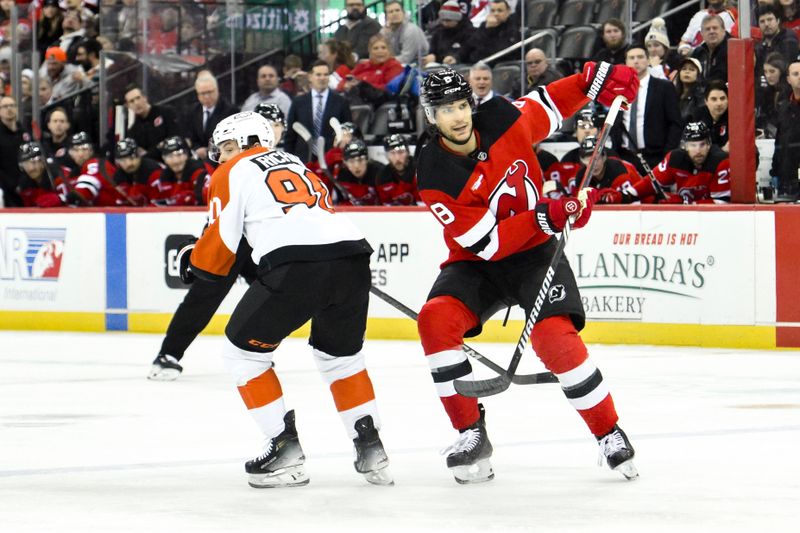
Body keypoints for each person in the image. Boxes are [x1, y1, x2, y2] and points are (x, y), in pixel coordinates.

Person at [414, 65, 639, 484]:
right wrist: (550, 214)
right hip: (476, 262)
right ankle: (469, 434)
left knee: (553, 338)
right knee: (435, 320)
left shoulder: (501, 117)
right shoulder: (433, 172)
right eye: (446, 110)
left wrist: (596, 77)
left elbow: (550, 104)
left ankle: (609, 432)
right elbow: (489, 245)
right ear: (432, 117)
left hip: (535, 255)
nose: (458, 116)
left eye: (462, 105)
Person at [187, 111, 392, 488]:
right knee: (341, 357)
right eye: (221, 150)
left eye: (229, 147)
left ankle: (284, 451)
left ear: (250, 141)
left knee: (241, 352)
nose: (223, 156)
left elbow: (220, 249)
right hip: (351, 257)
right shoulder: (295, 162)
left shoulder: (229, 172)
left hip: (297, 265)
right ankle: (371, 446)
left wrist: (196, 262)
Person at [614, 44, 684, 169]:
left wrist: (667, 154)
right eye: (632, 58)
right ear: (626, 62)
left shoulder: (664, 87)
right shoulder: (619, 89)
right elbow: (616, 121)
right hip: (625, 156)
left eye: (640, 57)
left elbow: (675, 123)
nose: (636, 61)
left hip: (655, 156)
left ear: (648, 60)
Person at [632, 122, 730, 204]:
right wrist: (629, 194)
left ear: (709, 145)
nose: (698, 150)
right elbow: (651, 183)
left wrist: (683, 203)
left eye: (702, 144)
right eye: (693, 145)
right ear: (684, 146)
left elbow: (722, 203)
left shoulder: (720, 161)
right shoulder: (675, 159)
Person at [285, 61, 352, 159]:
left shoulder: (341, 102)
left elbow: (347, 128)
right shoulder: (298, 102)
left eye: (326, 74)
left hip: (332, 158)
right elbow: (290, 136)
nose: (322, 78)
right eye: (318, 75)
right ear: (310, 77)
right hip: (303, 159)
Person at [565, 136, 645, 204]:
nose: (594, 164)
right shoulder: (581, 177)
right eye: (588, 160)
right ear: (582, 161)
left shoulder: (618, 171)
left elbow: (631, 202)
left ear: (604, 157)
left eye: (597, 158)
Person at [184, 72, 239, 160]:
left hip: (222, 158)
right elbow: (190, 137)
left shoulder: (231, 111)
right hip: (198, 159)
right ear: (197, 94)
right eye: (202, 93)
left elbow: (231, 141)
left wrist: (207, 150)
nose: (206, 96)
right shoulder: (192, 111)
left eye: (210, 92)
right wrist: (197, 149)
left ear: (217, 90)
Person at [339, 34, 404, 108]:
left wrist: (361, 85)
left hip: (379, 106)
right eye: (375, 48)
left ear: (389, 50)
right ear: (370, 51)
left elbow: (389, 89)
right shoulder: (362, 66)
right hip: (356, 103)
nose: (380, 51)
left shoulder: (394, 66)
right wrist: (345, 85)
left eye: (383, 48)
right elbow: (343, 82)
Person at [449, 0, 518, 65]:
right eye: (493, 11)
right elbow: (470, 44)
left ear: (508, 12)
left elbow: (498, 50)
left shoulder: (513, 28)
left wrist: (489, 30)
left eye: (500, 11)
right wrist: (456, 57)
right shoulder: (485, 25)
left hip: (499, 65)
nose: (496, 14)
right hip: (477, 64)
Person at [150, 136, 212, 206]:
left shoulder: (200, 172)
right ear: (164, 159)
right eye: (170, 156)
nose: (175, 161)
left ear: (186, 155)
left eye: (179, 154)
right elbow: (155, 202)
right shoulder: (162, 177)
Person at [124, 84, 180, 161]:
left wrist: (149, 153)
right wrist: (159, 147)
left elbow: (174, 138)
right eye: (131, 101)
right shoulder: (133, 130)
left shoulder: (166, 112)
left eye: (138, 98)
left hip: (175, 158)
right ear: (128, 106)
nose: (136, 103)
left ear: (145, 98)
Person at [770, 59, 800, 199]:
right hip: (787, 179)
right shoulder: (783, 107)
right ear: (788, 79)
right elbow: (779, 142)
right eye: (796, 74)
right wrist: (775, 171)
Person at [0, 95, 31, 207]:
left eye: (12, 105)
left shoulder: (24, 131)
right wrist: (10, 184)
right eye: (5, 106)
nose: (9, 109)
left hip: (27, 184)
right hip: (5, 187)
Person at [112, 137, 163, 205]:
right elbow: (120, 204)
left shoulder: (153, 170)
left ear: (139, 155)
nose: (128, 163)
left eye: (131, 158)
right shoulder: (118, 176)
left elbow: (159, 203)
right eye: (123, 160)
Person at [16, 141, 67, 208]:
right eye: (26, 164)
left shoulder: (59, 175)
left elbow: (72, 200)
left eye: (34, 162)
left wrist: (60, 198)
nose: (31, 168)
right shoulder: (24, 184)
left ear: (43, 162)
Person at [423, 0, 475, 66]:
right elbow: (433, 50)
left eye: (448, 20)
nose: (445, 23)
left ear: (457, 19)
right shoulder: (438, 32)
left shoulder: (469, 33)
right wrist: (432, 56)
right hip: (439, 67)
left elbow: (467, 51)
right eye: (442, 20)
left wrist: (456, 58)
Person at [381, 0, 429, 66]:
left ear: (403, 13)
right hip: (398, 64)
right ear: (386, 16)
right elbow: (382, 53)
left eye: (397, 10)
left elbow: (406, 59)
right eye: (390, 12)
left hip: (419, 66)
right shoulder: (384, 31)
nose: (394, 13)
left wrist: (382, 61)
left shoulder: (411, 30)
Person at [336, 138, 381, 205]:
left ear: (367, 159)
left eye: (360, 160)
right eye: (351, 161)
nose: (356, 166)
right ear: (345, 163)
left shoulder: (380, 173)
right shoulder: (342, 176)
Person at [376, 133, 418, 205]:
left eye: (401, 152)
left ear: (408, 152)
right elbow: (386, 205)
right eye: (392, 153)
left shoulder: (419, 170)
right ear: (387, 156)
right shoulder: (382, 176)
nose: (397, 158)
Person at [757, 52, 791, 138]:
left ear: (781, 71)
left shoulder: (789, 91)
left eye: (772, 71)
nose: (768, 75)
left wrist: (768, 133)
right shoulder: (768, 91)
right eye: (765, 72)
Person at [690, 80, 729, 151]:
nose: (719, 103)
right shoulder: (696, 117)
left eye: (722, 99)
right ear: (706, 101)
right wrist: (722, 150)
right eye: (714, 99)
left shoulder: (734, 118)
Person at [690, 15, 730, 83]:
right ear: (702, 33)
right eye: (708, 29)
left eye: (715, 28)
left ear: (723, 30)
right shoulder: (698, 52)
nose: (711, 32)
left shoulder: (732, 49)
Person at [674, 57, 706, 122]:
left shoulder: (701, 95)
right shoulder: (673, 94)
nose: (687, 72)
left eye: (692, 69)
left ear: (698, 75)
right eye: (684, 69)